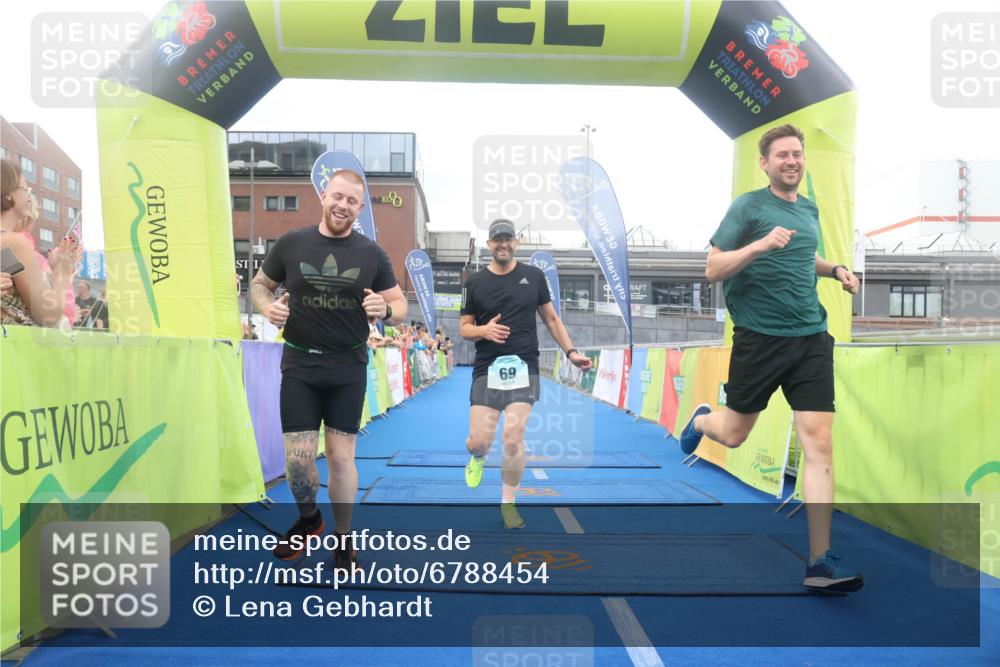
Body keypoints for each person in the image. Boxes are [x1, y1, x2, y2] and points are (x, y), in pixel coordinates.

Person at [677, 124, 863, 592]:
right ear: (765, 163)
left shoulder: (810, 209)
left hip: (811, 337)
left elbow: (804, 255)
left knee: (819, 443)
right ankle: (702, 422)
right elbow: (712, 268)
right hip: (759, 339)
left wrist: (835, 268)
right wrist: (758, 245)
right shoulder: (748, 208)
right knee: (735, 433)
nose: (791, 161)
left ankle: (820, 562)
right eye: (782, 155)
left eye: (797, 154)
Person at [251, 169, 407, 569]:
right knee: (298, 462)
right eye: (338, 196)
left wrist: (386, 310)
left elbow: (400, 306)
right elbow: (258, 285)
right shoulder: (292, 243)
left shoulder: (372, 254)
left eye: (352, 201)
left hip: (347, 368)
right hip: (301, 363)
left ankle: (343, 537)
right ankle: (309, 519)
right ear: (324, 195)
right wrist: (268, 307)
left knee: (340, 459)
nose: (343, 206)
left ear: (360, 208)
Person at [461, 219, 592, 529]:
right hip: (487, 369)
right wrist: (485, 330)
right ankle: (477, 457)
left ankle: (508, 504)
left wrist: (571, 352)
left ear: (516, 242)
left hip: (524, 367)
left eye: (508, 239)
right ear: (489, 244)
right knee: (479, 441)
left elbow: (551, 319)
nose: (503, 244)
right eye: (497, 240)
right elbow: (465, 329)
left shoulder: (533, 277)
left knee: (512, 437)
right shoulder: (474, 282)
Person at [1, 158, 80, 327]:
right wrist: (62, 274)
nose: (29, 197)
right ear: (8, 193)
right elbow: (47, 314)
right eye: (25, 189)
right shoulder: (14, 243)